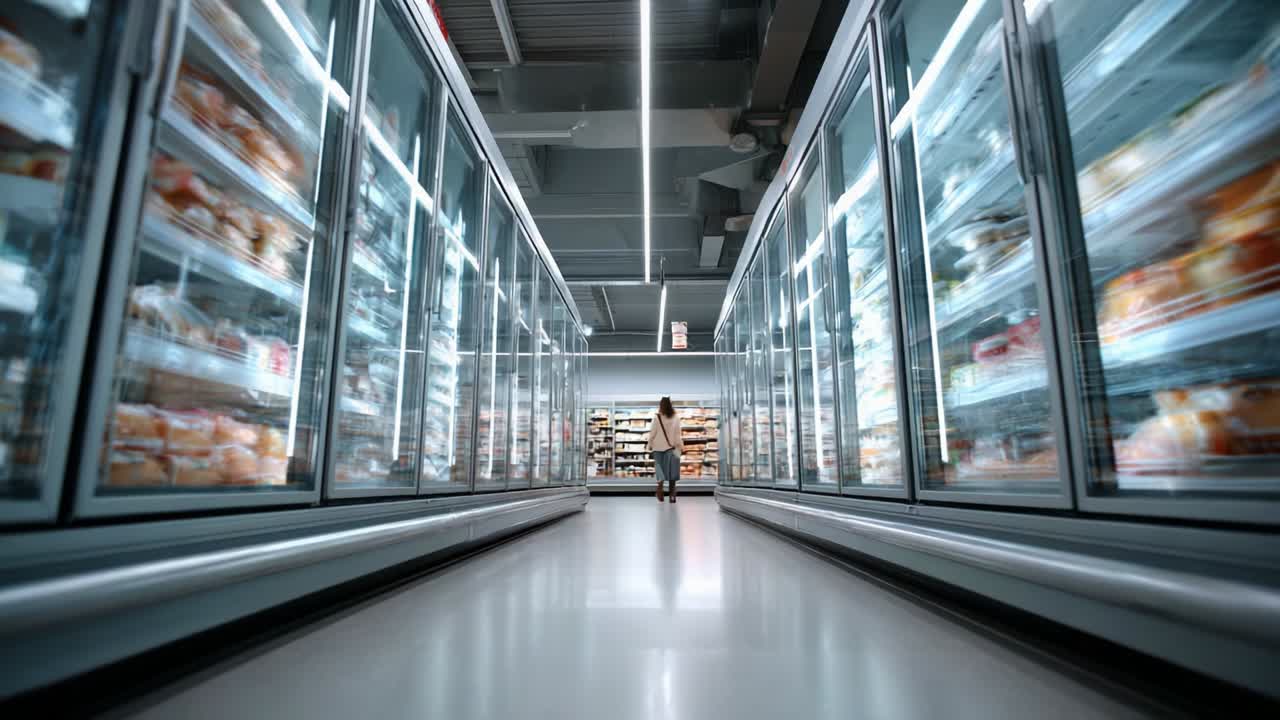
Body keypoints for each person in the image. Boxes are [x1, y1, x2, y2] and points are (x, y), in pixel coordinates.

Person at [647, 396, 683, 503]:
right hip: (672, 448)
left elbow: (652, 433)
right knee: (673, 471)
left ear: (661, 405)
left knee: (660, 469)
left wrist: (649, 444)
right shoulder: (676, 417)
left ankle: (660, 489)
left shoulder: (657, 418)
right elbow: (678, 434)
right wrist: (680, 446)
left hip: (658, 447)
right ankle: (672, 495)